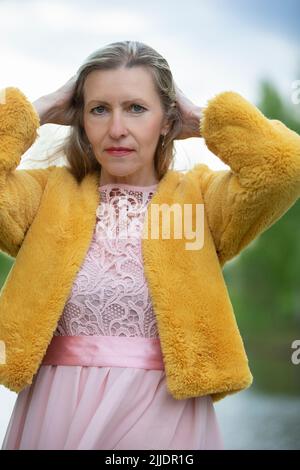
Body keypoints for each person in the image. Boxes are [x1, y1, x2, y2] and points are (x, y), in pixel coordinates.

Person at [0, 40, 299, 450]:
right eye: (99, 109)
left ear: (166, 120)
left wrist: (205, 118)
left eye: (136, 108)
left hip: (164, 415)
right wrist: (39, 108)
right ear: (79, 119)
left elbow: (283, 167)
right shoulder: (48, 196)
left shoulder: (200, 201)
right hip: (54, 413)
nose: (117, 128)